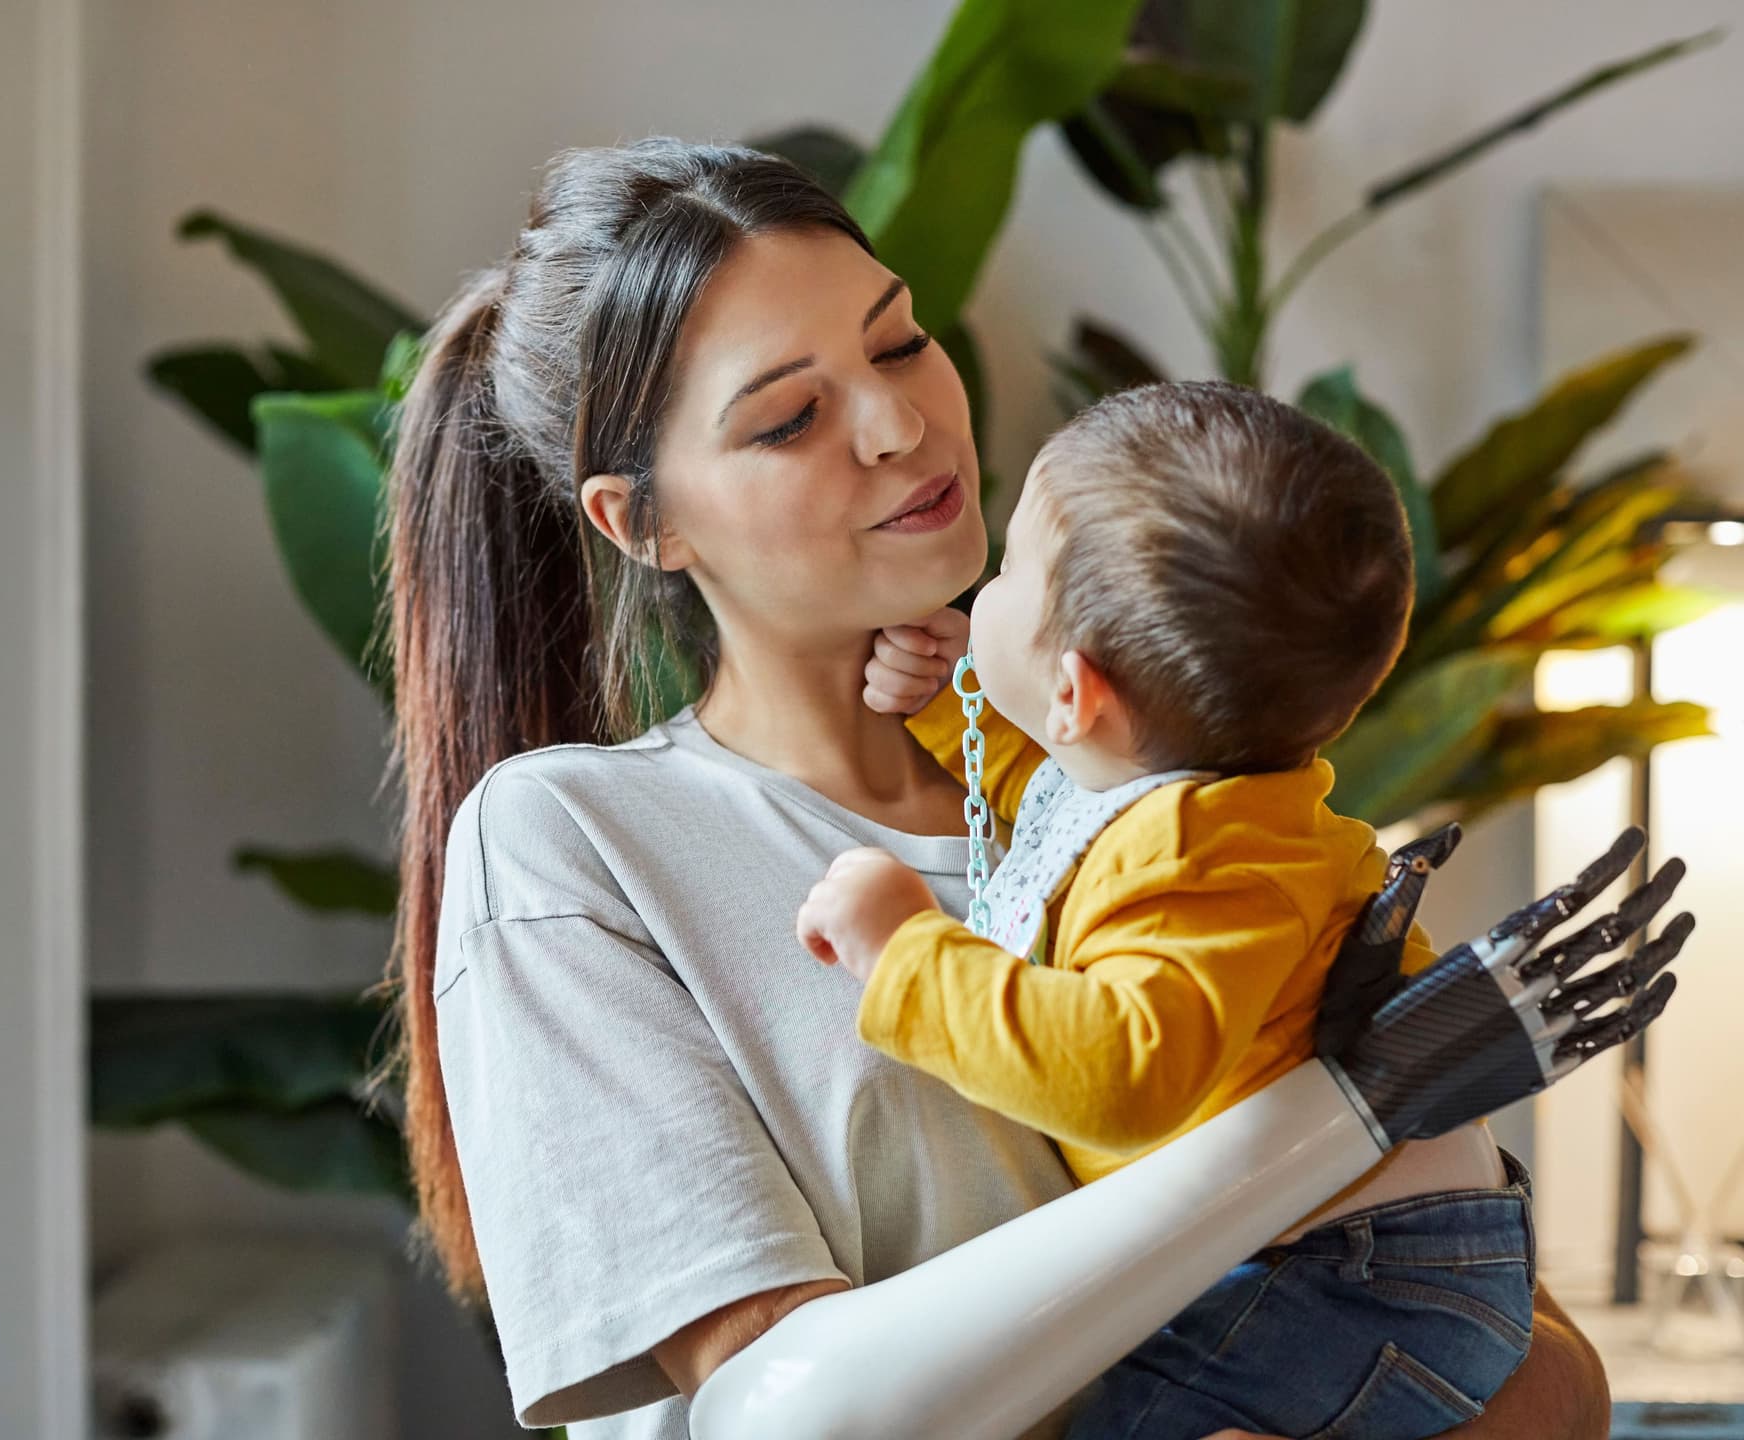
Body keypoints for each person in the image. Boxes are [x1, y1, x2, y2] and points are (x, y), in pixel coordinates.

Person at [385, 137, 1616, 1440]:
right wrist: (1340, 1111)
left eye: (901, 343)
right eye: (792, 416)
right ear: (644, 522)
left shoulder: (1133, 773)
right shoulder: (580, 843)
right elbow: (791, 1418)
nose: (900, 424)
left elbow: (1538, 1377)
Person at [796, 382, 1531, 1439]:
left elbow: (1124, 1070)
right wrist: (957, 717)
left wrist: (908, 951)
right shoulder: (1203, 800)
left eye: (1008, 572)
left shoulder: (1204, 857)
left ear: (1076, 692)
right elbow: (1075, 817)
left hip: (1349, 1280)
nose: (985, 590)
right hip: (1356, 1255)